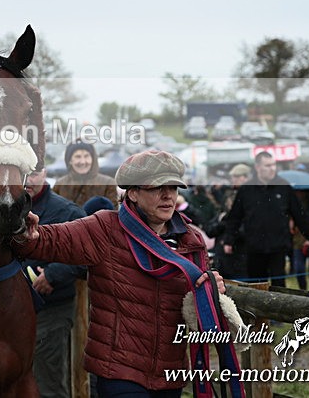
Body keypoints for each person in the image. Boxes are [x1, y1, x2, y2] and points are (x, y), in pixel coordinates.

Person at [15, 150, 241, 397]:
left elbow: (194, 302)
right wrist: (24, 228)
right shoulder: (104, 228)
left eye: (173, 188)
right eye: (157, 188)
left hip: (170, 371)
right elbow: (49, 240)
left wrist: (209, 289)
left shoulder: (191, 239)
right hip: (119, 371)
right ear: (132, 192)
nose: (168, 196)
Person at [21, 168, 86, 398]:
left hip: (51, 311)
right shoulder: (4, 208)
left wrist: (53, 274)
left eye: (34, 173)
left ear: (45, 173)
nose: (28, 179)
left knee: (47, 385)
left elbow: (89, 255)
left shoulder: (67, 212)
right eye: (23, 173)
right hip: (10, 311)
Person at [224, 152, 309, 287]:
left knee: (278, 285)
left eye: (274, 165)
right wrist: (228, 240)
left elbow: (301, 217)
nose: (272, 168)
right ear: (258, 167)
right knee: (256, 286)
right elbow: (234, 218)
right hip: (254, 247)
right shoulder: (246, 189)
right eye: (268, 165)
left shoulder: (284, 187)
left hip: (278, 247)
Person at [53, 141, 119, 209]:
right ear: (70, 160)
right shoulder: (60, 184)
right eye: (78, 157)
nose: (83, 162)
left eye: (86, 156)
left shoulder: (108, 184)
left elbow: (112, 214)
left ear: (92, 159)